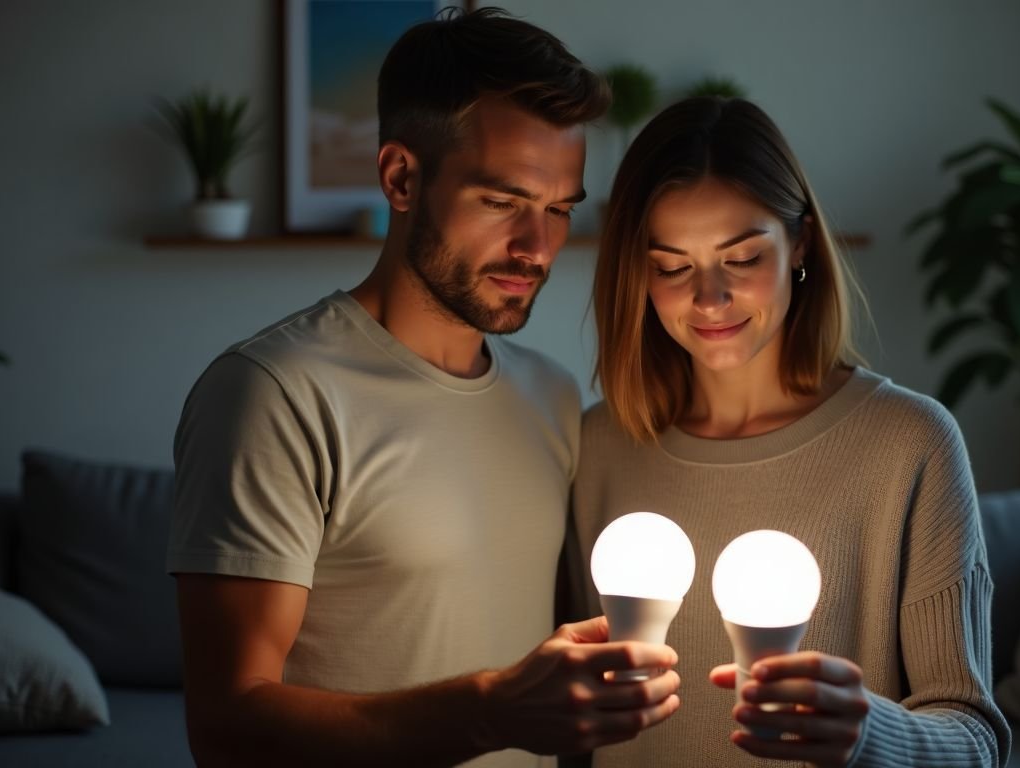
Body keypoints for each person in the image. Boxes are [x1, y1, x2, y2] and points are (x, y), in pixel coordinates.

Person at [166, 9, 681, 767]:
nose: (538, 248)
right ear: (401, 177)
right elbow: (227, 727)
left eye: (559, 210)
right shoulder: (275, 393)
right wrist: (489, 712)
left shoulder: (553, 396)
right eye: (503, 203)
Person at [568, 96, 1012, 767]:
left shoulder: (909, 443)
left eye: (742, 257)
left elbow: (977, 741)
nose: (709, 297)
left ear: (800, 240)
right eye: (671, 266)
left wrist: (868, 734)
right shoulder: (599, 446)